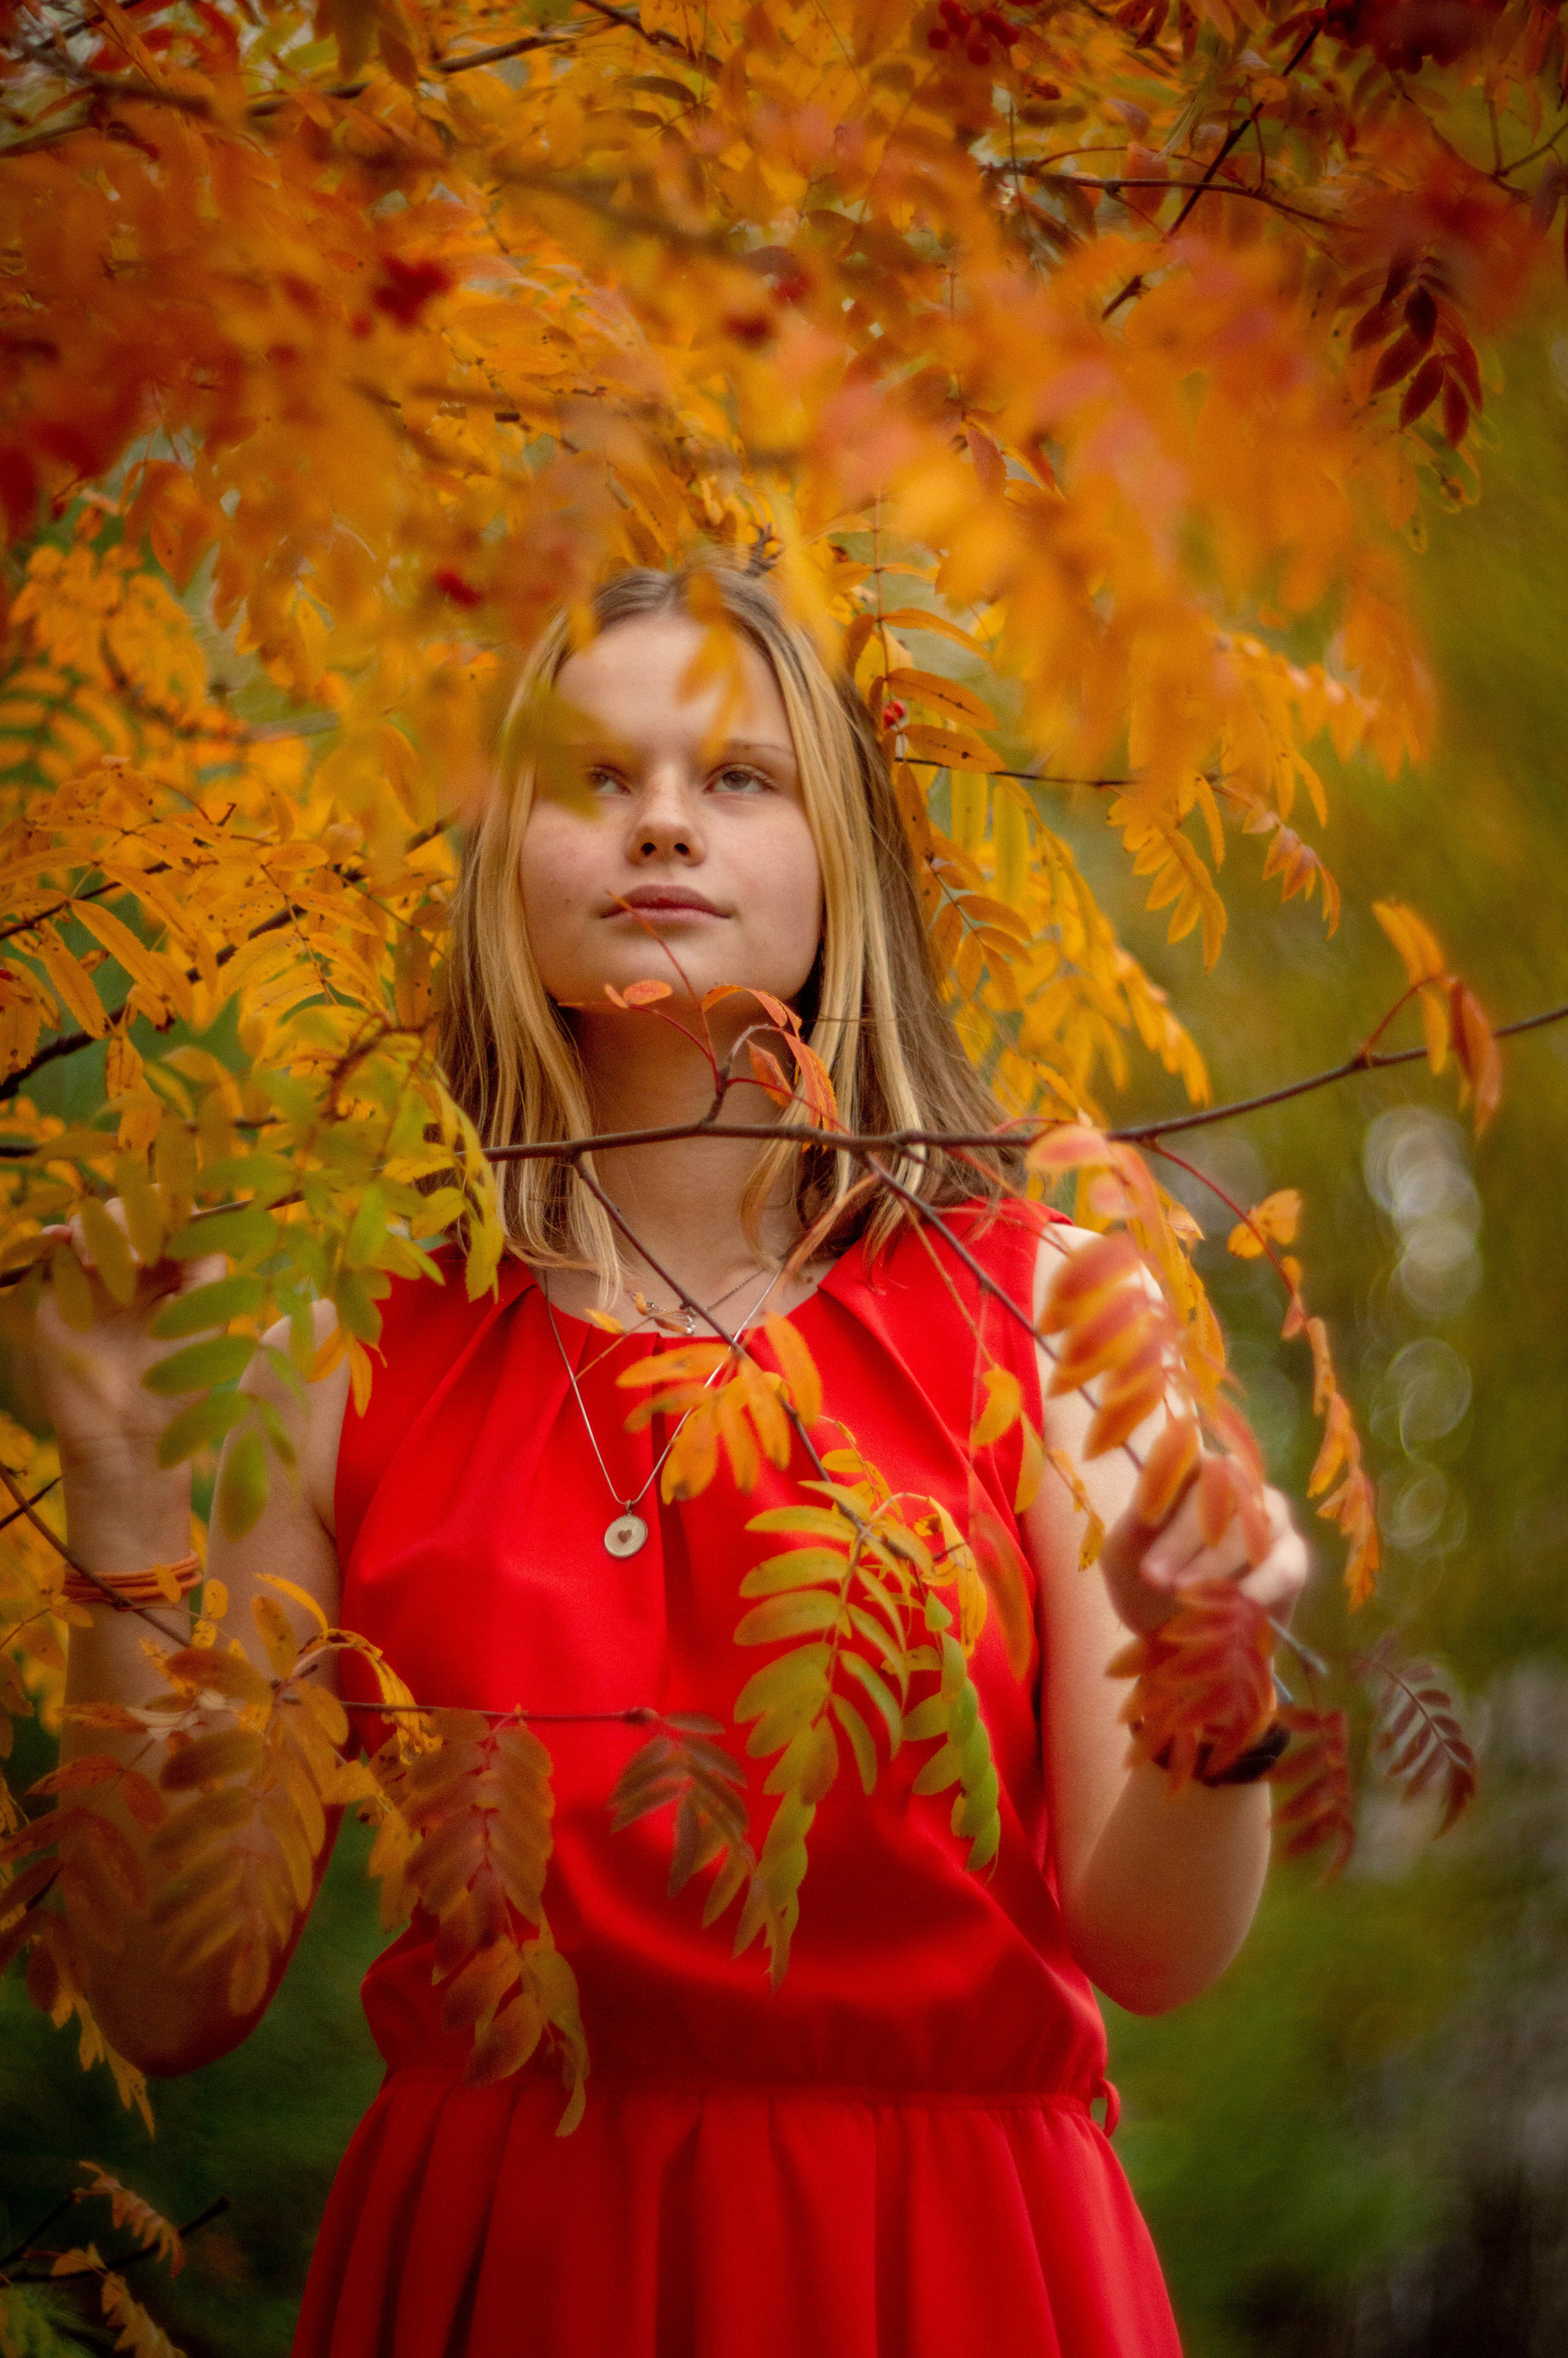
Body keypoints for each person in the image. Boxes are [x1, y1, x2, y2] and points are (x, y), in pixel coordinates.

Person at [37, 560, 1310, 2358]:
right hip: (507, 2266)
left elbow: (1159, 1945)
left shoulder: (1042, 1309)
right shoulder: (341, 1343)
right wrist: (117, 1493)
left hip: (943, 2267)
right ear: (504, 861)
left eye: (737, 776)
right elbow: (173, 1996)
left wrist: (1210, 1676)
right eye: (594, 775)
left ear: (842, 865)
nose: (662, 819)